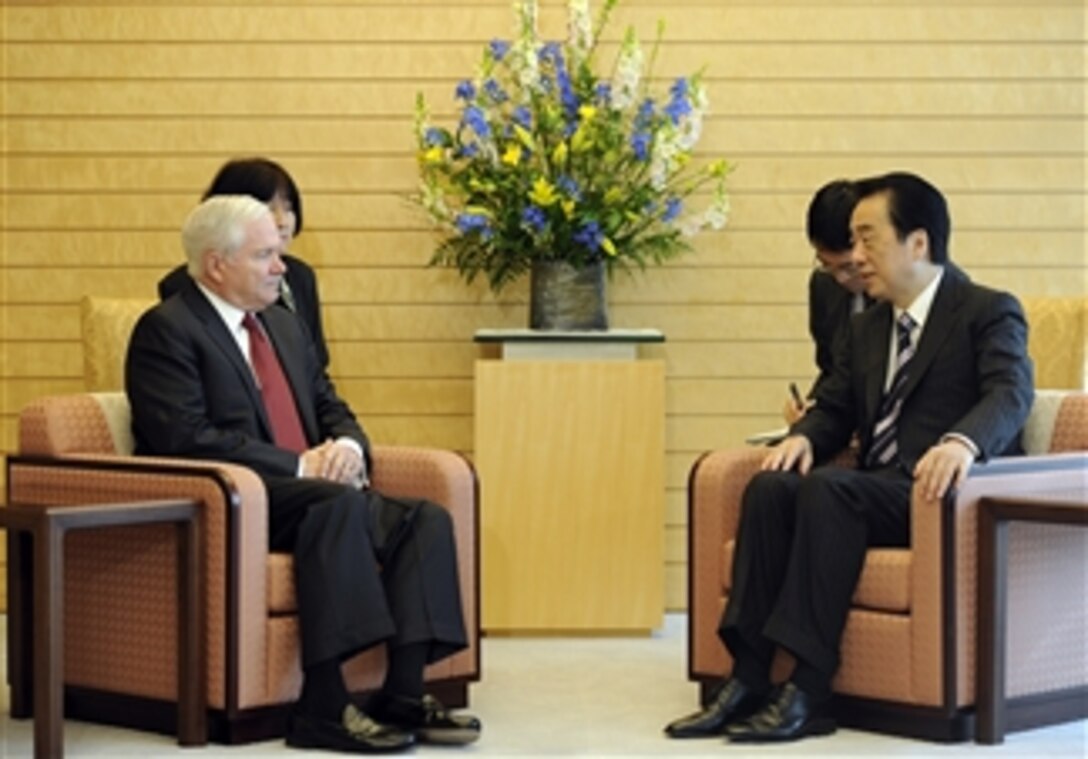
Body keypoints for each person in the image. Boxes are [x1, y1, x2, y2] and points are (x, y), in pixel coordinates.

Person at [665, 171, 1034, 743]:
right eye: (853, 243)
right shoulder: (868, 330)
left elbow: (1011, 391)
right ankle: (747, 676)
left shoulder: (984, 309)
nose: (856, 257)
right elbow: (835, 404)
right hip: (875, 487)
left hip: (937, 493)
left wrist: (962, 442)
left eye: (868, 240)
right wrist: (804, 438)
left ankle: (810, 689)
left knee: (828, 490)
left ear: (918, 242)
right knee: (771, 485)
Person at [127, 195, 481, 754]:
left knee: (424, 518)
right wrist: (299, 464)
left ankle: (405, 694)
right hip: (236, 500)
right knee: (335, 506)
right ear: (217, 264)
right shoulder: (167, 330)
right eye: (266, 254)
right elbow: (184, 438)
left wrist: (346, 445)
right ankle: (323, 706)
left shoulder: (284, 328)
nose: (281, 267)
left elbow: (329, 402)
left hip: (311, 493)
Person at [158, 157, 330, 369]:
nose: (283, 221)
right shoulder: (185, 284)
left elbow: (316, 363)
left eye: (288, 207)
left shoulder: (299, 275)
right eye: (268, 208)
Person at [783, 179, 868, 424]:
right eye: (826, 265)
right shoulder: (824, 284)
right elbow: (831, 370)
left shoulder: (898, 292)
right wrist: (811, 406)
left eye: (849, 267)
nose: (840, 278)